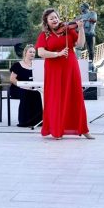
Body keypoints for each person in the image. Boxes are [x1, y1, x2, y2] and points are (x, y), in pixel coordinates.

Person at [35, 8, 94, 140]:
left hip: (70, 66)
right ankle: (57, 130)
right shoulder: (44, 35)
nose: (55, 20)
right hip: (53, 69)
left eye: (56, 17)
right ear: (46, 21)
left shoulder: (68, 30)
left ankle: (83, 129)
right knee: (56, 98)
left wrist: (81, 29)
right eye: (51, 18)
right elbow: (41, 53)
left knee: (75, 95)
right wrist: (58, 54)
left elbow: (80, 44)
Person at [9, 44, 43, 127]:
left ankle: (37, 121)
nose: (32, 54)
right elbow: (12, 79)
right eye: (30, 52)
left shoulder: (37, 65)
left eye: (34, 52)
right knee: (26, 93)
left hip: (33, 88)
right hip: (18, 88)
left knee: (39, 93)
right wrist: (22, 86)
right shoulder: (18, 65)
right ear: (25, 53)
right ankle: (25, 121)